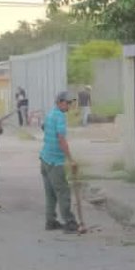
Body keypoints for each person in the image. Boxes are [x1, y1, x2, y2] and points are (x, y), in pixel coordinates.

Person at [40, 91, 81, 233]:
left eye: (70, 103)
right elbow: (61, 139)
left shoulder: (51, 114)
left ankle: (50, 221)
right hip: (54, 161)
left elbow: (43, 127)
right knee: (63, 192)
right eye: (68, 103)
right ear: (60, 102)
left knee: (50, 193)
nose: (69, 105)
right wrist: (71, 159)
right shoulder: (60, 117)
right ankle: (69, 223)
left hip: (45, 158)